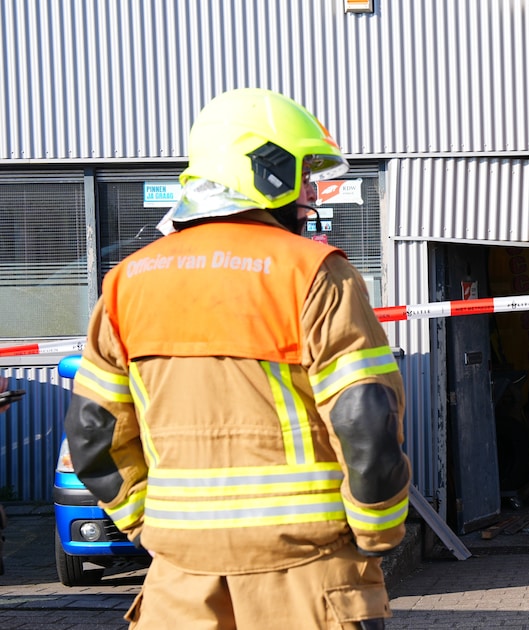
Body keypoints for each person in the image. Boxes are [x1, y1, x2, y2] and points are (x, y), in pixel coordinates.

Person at [64, 88, 410, 630]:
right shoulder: (313, 272)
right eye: (301, 176)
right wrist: (377, 533)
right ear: (265, 172)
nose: (308, 194)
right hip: (306, 574)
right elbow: (364, 419)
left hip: (178, 581)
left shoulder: (128, 282)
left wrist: (145, 524)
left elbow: (91, 434)